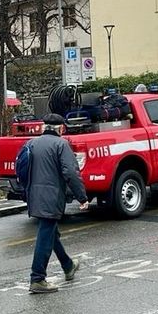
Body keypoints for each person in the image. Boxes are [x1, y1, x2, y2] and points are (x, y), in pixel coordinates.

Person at [26, 113, 89, 294]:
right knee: (45, 235)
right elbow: (70, 172)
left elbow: (22, 169)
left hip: (33, 195)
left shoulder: (31, 143)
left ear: (43, 127)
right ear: (61, 128)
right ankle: (37, 278)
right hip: (51, 196)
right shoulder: (61, 144)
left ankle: (68, 265)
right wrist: (82, 197)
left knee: (50, 232)